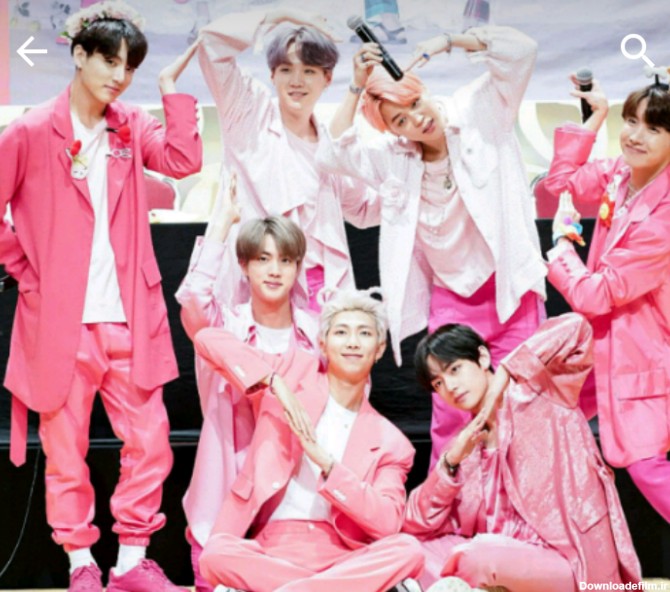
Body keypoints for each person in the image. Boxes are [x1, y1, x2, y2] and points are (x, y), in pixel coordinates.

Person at [0, 1, 202, 590]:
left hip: (129, 317)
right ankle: (81, 565)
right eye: (109, 60)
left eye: (130, 66)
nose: (119, 75)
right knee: (66, 453)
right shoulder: (30, 130)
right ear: (79, 55)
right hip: (58, 323)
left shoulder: (130, 124)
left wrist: (169, 89)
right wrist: (25, 268)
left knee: (151, 443)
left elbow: (183, 160)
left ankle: (132, 563)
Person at [318, 25, 546, 470]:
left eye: (414, 103)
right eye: (400, 120)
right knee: (451, 415)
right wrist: (355, 86)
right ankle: (452, 506)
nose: (416, 120)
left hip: (508, 292)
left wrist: (449, 41)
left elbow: (523, 49)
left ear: (422, 90)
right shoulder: (396, 157)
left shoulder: (478, 110)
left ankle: (523, 504)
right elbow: (330, 156)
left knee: (522, 406)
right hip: (451, 298)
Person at [192, 289, 424, 592]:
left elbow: (387, 522)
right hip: (272, 550)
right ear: (323, 344)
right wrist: (276, 383)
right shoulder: (292, 375)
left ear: (379, 349)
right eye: (341, 332)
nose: (353, 342)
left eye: (365, 333)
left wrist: (328, 465)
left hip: (343, 557)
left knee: (408, 550)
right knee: (217, 554)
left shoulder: (391, 441)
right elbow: (206, 338)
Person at [406, 313, 641, 592]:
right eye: (438, 383)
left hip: (568, 563)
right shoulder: (466, 447)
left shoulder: (541, 392)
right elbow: (416, 524)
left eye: (454, 369)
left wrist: (505, 374)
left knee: (476, 558)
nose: (450, 386)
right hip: (503, 561)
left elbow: (576, 328)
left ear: (482, 358)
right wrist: (450, 461)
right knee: (409, 549)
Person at [175, 173, 321, 591]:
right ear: (244, 265)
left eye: (286, 260)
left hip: (292, 510)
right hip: (224, 501)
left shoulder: (316, 335)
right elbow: (194, 299)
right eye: (262, 259)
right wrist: (222, 222)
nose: (274, 270)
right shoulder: (225, 326)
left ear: (297, 267)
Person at [544, 74, 670, 523]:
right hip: (597, 345)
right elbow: (561, 182)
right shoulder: (620, 173)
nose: (635, 135)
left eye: (653, 128)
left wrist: (561, 250)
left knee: (645, 463)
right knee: (544, 426)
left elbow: (596, 294)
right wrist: (596, 117)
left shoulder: (663, 218)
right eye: (631, 121)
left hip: (643, 349)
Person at [197, 7, 365, 313]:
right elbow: (211, 44)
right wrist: (287, 14)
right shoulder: (249, 112)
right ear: (272, 75)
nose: (297, 80)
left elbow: (363, 209)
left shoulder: (329, 147)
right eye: (286, 69)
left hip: (320, 291)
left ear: (327, 78)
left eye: (309, 71)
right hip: (253, 288)